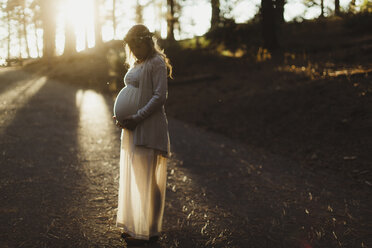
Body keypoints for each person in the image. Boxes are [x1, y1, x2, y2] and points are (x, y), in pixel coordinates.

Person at [112, 24, 172, 245]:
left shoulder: (156, 62)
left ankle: (152, 229)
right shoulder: (138, 63)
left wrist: (136, 117)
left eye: (137, 46)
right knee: (138, 177)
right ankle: (137, 226)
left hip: (148, 125)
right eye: (131, 47)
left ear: (146, 42)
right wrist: (121, 117)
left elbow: (159, 97)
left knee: (149, 179)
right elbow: (131, 93)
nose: (134, 51)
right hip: (132, 126)